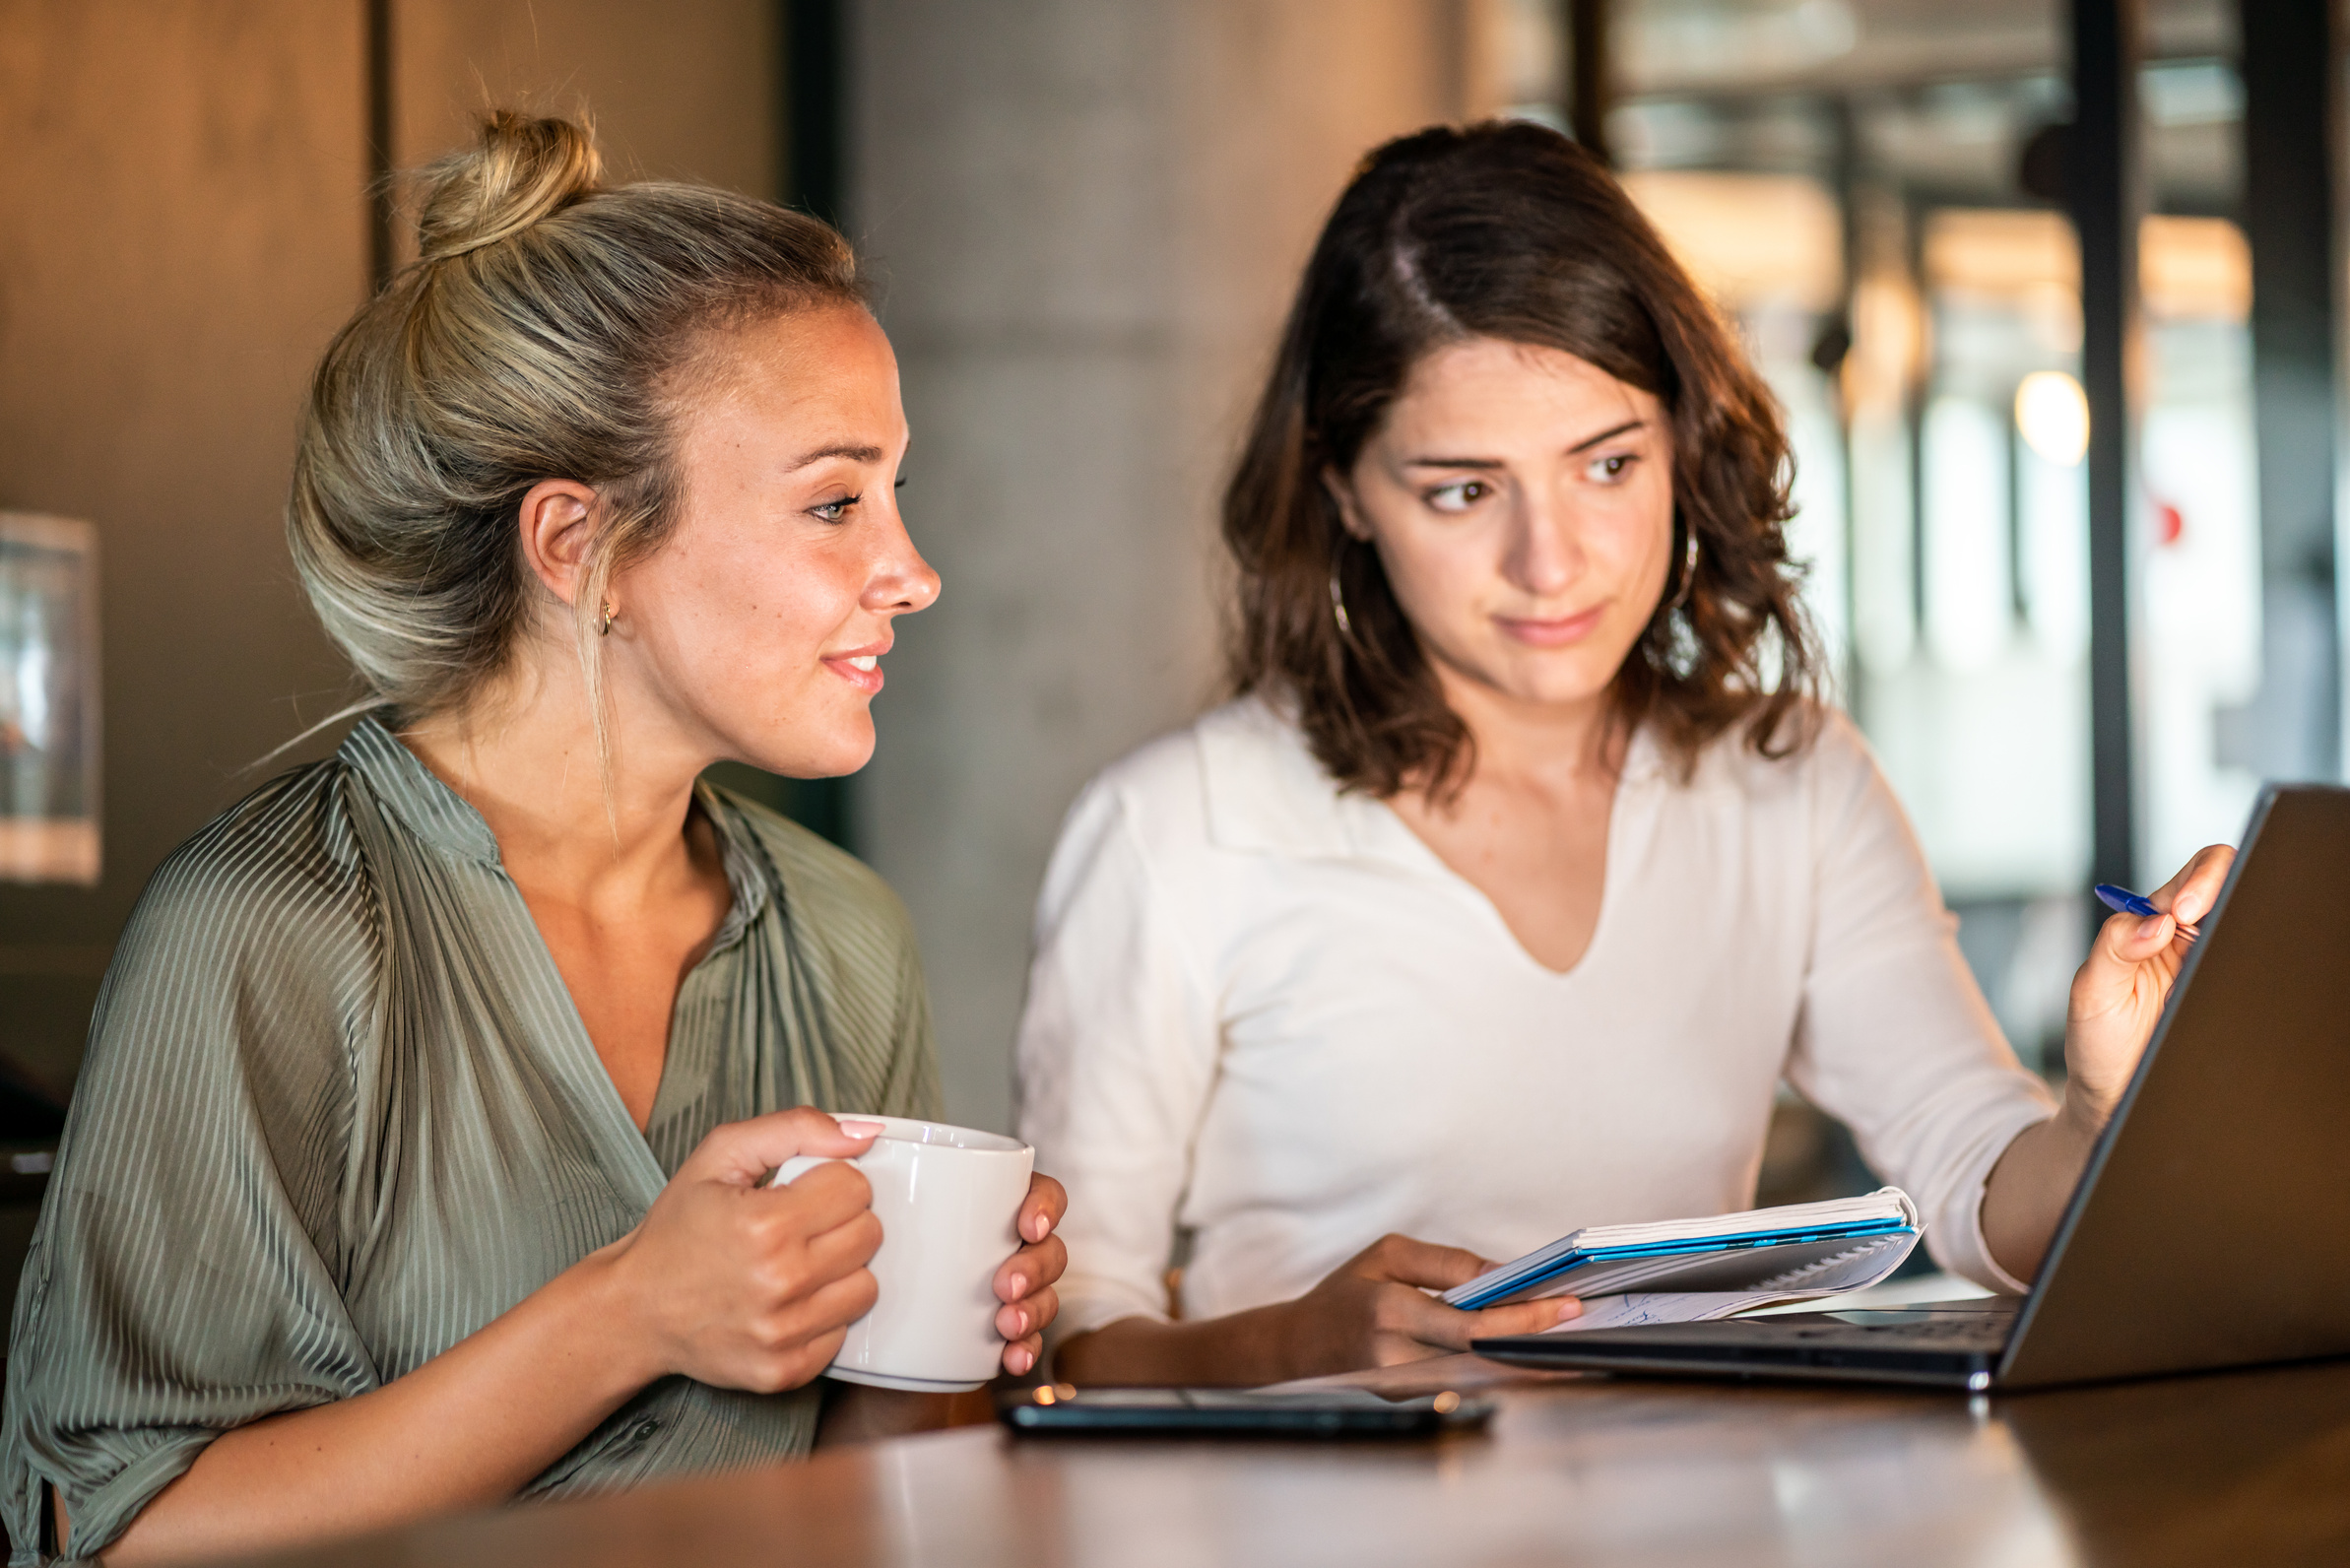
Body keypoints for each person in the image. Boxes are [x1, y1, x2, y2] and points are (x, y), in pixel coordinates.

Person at [2, 112, 1066, 1564]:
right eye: (835, 501)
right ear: (579, 549)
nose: (914, 571)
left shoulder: (842, 935)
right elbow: (116, 1533)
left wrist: (954, 1339)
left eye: (896, 494)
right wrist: (630, 1314)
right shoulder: (273, 928)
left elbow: (856, 1501)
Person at [1014, 120, 2229, 1388]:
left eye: (1606, 464)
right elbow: (1058, 1338)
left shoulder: (1790, 783)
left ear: (1682, 443)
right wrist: (1287, 1341)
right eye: (1462, 491)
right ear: (1342, 492)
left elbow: (1985, 1189)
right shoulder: (1177, 826)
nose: (1553, 561)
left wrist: (2093, 1113)